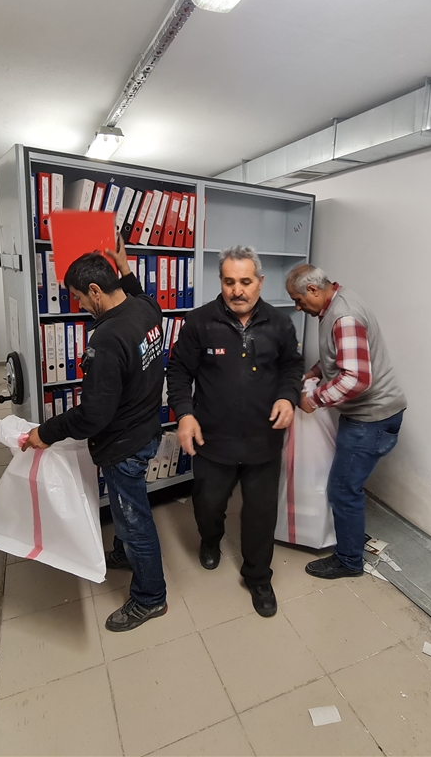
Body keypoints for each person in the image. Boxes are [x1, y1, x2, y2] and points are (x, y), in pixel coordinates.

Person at [22, 239, 167, 632]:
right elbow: (140, 293)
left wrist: (46, 432)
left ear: (96, 290)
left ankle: (151, 598)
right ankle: (123, 553)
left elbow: (93, 416)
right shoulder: (145, 308)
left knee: (135, 521)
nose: (80, 305)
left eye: (80, 297)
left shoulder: (107, 339)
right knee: (126, 511)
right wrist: (126, 267)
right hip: (148, 428)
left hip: (124, 444)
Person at [167, 245, 303, 617]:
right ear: (221, 282)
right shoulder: (199, 322)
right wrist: (185, 414)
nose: (237, 290)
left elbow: (292, 367)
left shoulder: (280, 323)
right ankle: (210, 540)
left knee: (260, 513)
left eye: (245, 282)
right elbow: (178, 370)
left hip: (263, 439)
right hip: (213, 439)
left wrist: (288, 396)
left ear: (260, 282)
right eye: (229, 282)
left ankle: (258, 577)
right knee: (208, 504)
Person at [285, 264, 407, 580]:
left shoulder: (344, 316)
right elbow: (338, 357)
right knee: (346, 484)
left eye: (298, 300)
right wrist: (313, 373)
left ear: (313, 290)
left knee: (342, 489)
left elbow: (355, 378)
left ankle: (349, 561)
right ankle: (350, 536)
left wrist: (313, 399)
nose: (298, 307)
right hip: (370, 416)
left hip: (371, 419)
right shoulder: (335, 304)